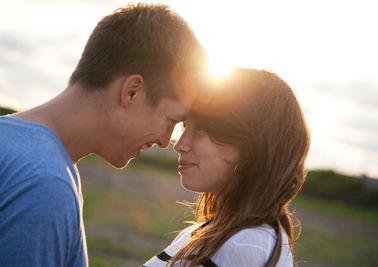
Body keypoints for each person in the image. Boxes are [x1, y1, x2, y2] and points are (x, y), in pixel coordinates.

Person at [0, 3, 206, 267]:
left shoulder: (16, 145)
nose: (166, 141)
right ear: (132, 91)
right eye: (171, 120)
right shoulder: (44, 183)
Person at [143, 68, 310, 267]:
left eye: (202, 129)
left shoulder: (245, 246)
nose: (180, 145)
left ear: (250, 146)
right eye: (185, 126)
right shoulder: (215, 235)